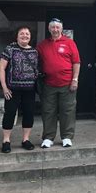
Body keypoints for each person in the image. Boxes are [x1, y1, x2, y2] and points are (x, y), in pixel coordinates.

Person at [37, 18, 80, 148]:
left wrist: (75, 79)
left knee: (67, 111)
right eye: (53, 27)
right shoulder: (42, 45)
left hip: (67, 84)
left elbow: (76, 62)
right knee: (48, 111)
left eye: (57, 27)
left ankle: (66, 137)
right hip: (48, 84)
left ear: (61, 29)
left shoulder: (69, 43)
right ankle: (48, 138)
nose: (55, 29)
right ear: (49, 29)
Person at [0, 26, 39, 153]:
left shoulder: (34, 52)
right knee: (9, 113)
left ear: (30, 37)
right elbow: (1, 68)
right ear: (17, 36)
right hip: (12, 89)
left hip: (29, 89)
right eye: (22, 33)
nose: (25, 35)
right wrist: (4, 87)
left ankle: (25, 140)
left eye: (27, 34)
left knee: (28, 113)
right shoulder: (10, 49)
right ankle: (6, 141)